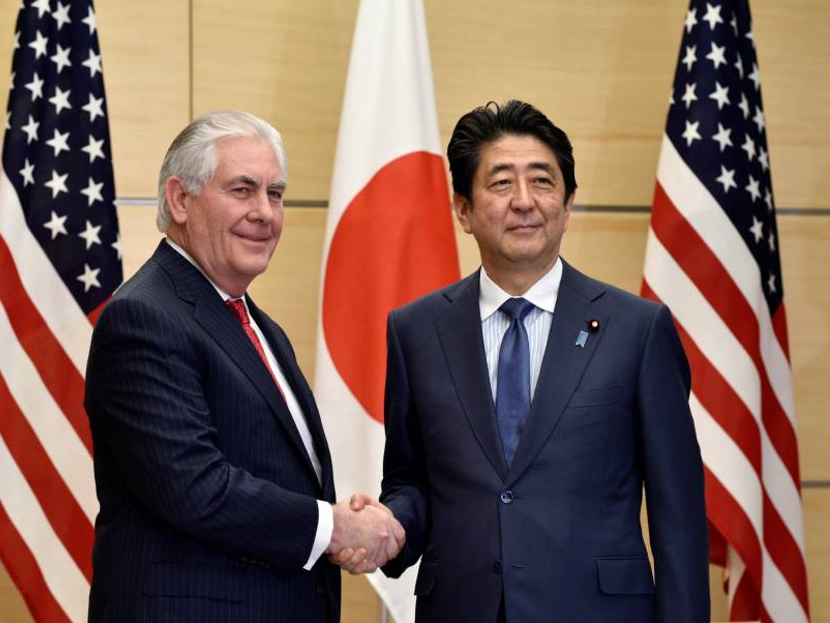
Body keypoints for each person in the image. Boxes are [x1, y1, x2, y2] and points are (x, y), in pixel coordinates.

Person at [372, 100, 710, 622]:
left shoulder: (638, 331)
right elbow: (410, 480)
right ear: (463, 209)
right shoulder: (415, 330)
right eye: (501, 183)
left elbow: (679, 520)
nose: (525, 202)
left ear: (569, 203)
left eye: (543, 182)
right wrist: (388, 527)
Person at [84, 111, 403, 622]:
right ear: (179, 200)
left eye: (274, 194)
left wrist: (338, 517)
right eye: (242, 190)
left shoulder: (259, 326)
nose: (265, 213)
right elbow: (195, 486)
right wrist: (333, 527)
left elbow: (268, 472)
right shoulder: (144, 317)